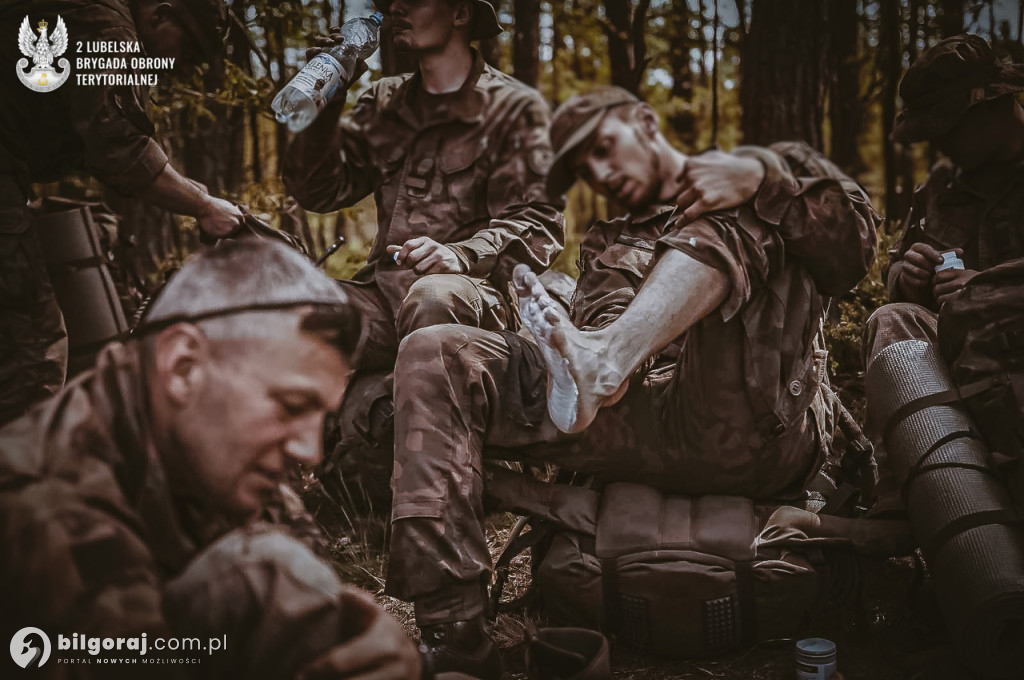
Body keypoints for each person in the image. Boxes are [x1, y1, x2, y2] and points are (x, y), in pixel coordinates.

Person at [385, 86, 879, 678]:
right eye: (583, 166)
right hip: (630, 420)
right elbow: (598, 329)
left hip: (751, 424)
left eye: (602, 147)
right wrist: (576, 343)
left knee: (723, 207)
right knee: (435, 352)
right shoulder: (608, 241)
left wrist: (763, 181)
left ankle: (607, 359)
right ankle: (455, 636)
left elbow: (853, 255)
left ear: (646, 121)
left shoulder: (771, 175)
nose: (599, 171)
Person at [0, 239, 420, 680]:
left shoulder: (210, 456)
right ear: (183, 368)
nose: (309, 451)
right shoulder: (40, 514)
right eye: (291, 405)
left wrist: (367, 647)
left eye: (321, 416)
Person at [0, 0, 246, 427]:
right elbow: (121, 151)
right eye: (185, 51)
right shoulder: (111, 33)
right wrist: (204, 207)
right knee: (32, 349)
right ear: (162, 15)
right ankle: (20, 484)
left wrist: (190, 193)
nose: (178, 67)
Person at [282, 0, 564, 372]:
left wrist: (462, 254)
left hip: (472, 296)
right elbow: (318, 191)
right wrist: (327, 104)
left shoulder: (513, 108)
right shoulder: (384, 101)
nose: (398, 8)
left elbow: (541, 221)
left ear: (461, 14)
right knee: (287, 309)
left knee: (430, 296)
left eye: (414, 0)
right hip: (382, 300)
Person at [865, 34, 1024, 362]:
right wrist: (909, 279)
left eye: (948, 128)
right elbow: (895, 265)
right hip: (958, 369)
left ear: (992, 102)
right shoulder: (940, 187)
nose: (940, 145)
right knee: (890, 322)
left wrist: (993, 290)